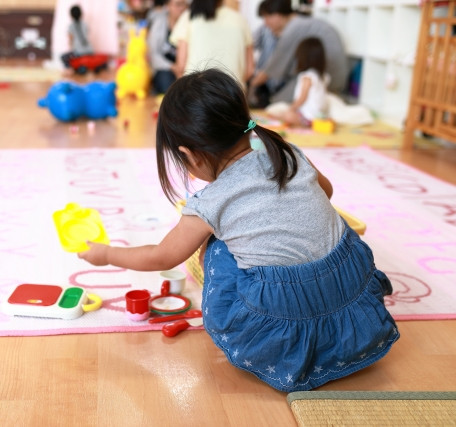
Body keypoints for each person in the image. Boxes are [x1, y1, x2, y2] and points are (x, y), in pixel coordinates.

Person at [78, 68, 399, 392]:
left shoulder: (212, 200)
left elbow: (163, 256)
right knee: (332, 224)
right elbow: (325, 192)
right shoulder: (285, 151)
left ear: (189, 155)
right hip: (351, 295)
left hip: (280, 321)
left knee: (215, 244)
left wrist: (105, 253)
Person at [249, 0, 347, 105]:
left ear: (277, 14)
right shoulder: (303, 23)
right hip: (330, 78)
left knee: (276, 103)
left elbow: (272, 69)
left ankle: (255, 119)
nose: (265, 23)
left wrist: (249, 87)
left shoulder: (294, 28)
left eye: (266, 17)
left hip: (327, 79)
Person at [169, 0, 253, 86]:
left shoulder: (189, 17)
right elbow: (249, 70)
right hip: (233, 91)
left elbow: (181, 67)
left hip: (196, 90)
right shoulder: (240, 20)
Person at [277, 37, 330, 127]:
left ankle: (303, 125)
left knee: (286, 114)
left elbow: (302, 98)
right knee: (281, 113)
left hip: (309, 117)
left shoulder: (307, 76)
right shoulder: (321, 76)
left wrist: (291, 108)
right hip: (318, 116)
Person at [146, 0, 187, 94]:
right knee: (167, 84)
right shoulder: (159, 23)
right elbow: (153, 54)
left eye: (184, 4)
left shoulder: (188, 23)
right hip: (165, 68)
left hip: (184, 67)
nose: (181, 8)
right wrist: (172, 66)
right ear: (168, 6)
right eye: (178, 5)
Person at [61, 5, 93, 70]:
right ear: (81, 14)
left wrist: (71, 49)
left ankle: (70, 70)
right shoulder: (85, 24)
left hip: (79, 52)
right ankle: (80, 68)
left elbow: (70, 39)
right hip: (90, 50)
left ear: (71, 15)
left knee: (63, 57)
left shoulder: (71, 26)